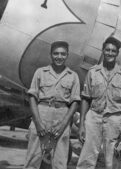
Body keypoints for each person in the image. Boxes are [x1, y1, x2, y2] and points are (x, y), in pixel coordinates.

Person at [76, 36, 121, 169]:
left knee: (112, 159)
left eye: (113, 51)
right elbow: (85, 97)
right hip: (94, 116)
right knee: (87, 156)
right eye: (107, 50)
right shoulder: (92, 72)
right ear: (102, 51)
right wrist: (82, 124)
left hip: (115, 118)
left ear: (117, 53)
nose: (110, 53)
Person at [24, 41, 81, 169]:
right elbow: (32, 97)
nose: (59, 57)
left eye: (62, 54)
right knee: (32, 159)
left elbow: (75, 102)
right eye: (56, 53)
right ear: (50, 55)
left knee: (60, 162)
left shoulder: (73, 76)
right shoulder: (40, 72)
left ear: (67, 55)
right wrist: (38, 123)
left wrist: (63, 125)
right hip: (41, 112)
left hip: (62, 115)